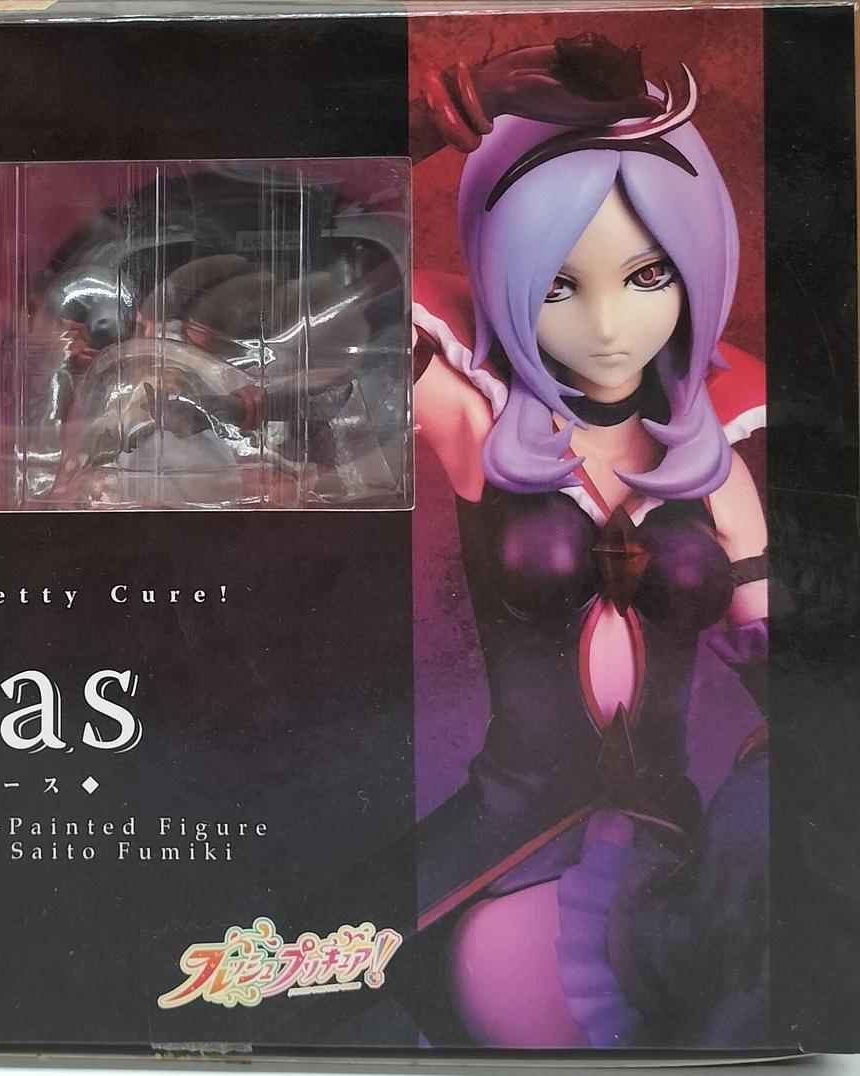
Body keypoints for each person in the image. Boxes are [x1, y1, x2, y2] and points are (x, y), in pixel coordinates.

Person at [407, 38, 768, 1047]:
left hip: (669, 842)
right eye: (558, 284)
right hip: (503, 833)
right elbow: (282, 276)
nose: (610, 326)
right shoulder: (470, 418)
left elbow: (801, 677)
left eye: (648, 274)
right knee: (252, 991)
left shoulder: (716, 465)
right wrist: (452, 107)